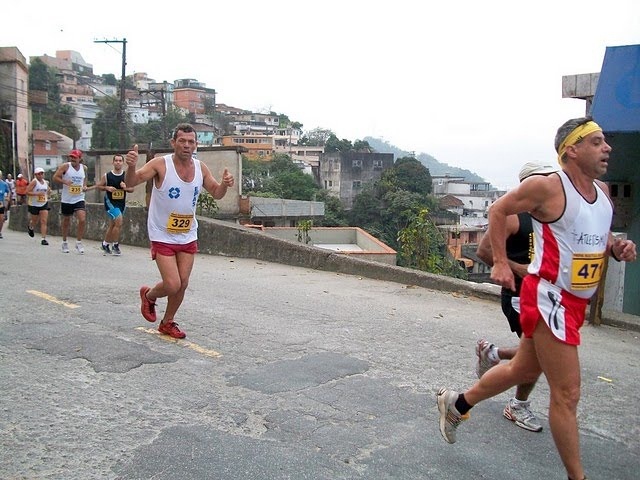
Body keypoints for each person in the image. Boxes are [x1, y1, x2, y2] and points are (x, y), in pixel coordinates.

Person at [436, 117, 637, 480]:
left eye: (605, 141)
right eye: (596, 142)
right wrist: (499, 262)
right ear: (571, 150)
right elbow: (498, 210)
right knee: (567, 393)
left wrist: (617, 247)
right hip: (549, 297)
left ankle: (457, 403)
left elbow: (593, 237)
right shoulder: (548, 188)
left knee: (524, 370)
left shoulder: (603, 192)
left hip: (576, 303)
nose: (607, 148)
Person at [124, 123, 235, 339]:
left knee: (182, 283)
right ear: (173, 142)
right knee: (172, 284)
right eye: (182, 141)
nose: (186, 145)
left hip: (187, 233)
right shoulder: (160, 165)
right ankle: (149, 295)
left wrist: (224, 184)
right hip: (162, 233)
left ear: (196, 144)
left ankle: (167, 322)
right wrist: (130, 166)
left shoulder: (200, 168)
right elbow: (131, 182)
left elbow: (216, 193)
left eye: (191, 141)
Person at [475, 161, 559, 433]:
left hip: (548, 295)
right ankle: (517, 404)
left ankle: (493, 353)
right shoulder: (513, 215)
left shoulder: (552, 213)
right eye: (543, 180)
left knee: (540, 353)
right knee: (544, 354)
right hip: (518, 295)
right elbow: (483, 252)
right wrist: (521, 269)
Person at [92, 154, 134, 255]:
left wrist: (125, 188)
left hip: (121, 203)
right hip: (110, 203)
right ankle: (115, 245)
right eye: (116, 160)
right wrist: (107, 188)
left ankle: (105, 244)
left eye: (120, 161)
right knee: (119, 221)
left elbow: (132, 189)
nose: (118, 162)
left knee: (113, 225)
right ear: (113, 162)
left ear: (123, 163)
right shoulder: (107, 176)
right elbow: (98, 186)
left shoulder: (126, 176)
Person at [53, 149, 88, 254]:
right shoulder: (65, 166)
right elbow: (55, 177)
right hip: (67, 198)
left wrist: (85, 186)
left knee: (82, 219)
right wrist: (64, 181)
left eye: (75, 157)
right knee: (66, 220)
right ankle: (64, 242)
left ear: (80, 159)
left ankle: (78, 242)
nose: (72, 159)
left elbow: (84, 179)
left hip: (79, 197)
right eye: (71, 157)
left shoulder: (84, 168)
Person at [26, 167, 52, 245]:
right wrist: (37, 194)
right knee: (34, 220)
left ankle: (43, 239)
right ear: (35, 175)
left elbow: (48, 190)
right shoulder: (34, 182)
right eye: (39, 174)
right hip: (34, 204)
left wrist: (49, 192)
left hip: (43, 203)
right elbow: (27, 192)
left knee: (44, 221)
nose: (40, 175)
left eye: (42, 174)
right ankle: (31, 227)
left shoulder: (45, 182)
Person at [0, 172, 9, 239]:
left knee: (1, 219)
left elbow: (8, 191)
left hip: (1, 203)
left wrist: (8, 197)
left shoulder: (4, 184)